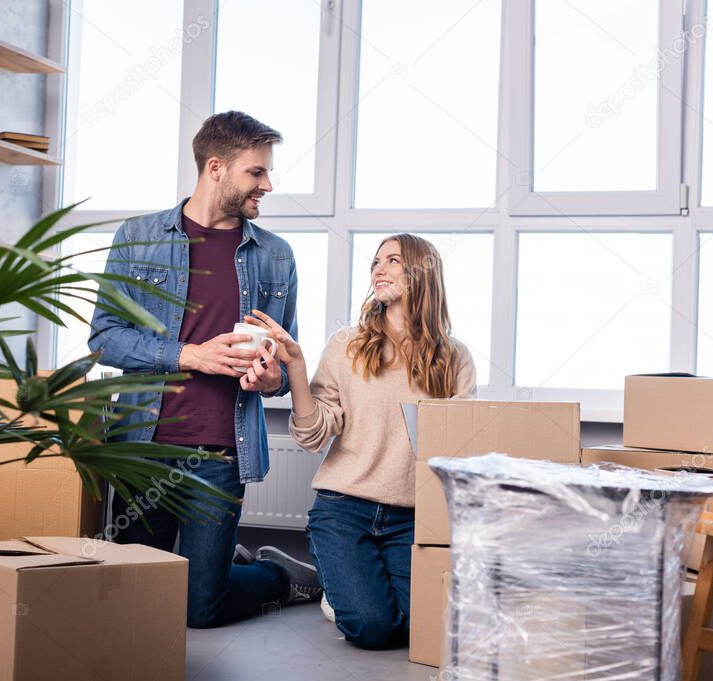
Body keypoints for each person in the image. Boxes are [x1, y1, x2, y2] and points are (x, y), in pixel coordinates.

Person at [88, 111, 321, 628]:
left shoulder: (275, 256)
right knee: (137, 598)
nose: (267, 184)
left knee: (200, 610)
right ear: (216, 167)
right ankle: (219, 569)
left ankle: (278, 575)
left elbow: (282, 366)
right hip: (143, 448)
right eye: (256, 172)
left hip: (220, 453)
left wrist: (270, 380)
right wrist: (188, 354)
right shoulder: (139, 236)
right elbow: (104, 338)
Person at [245, 234, 476, 649]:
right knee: (372, 629)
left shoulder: (454, 358)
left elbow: (461, 449)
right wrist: (295, 366)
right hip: (344, 509)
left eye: (393, 260)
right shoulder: (348, 345)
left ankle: (342, 584)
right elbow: (313, 435)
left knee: (420, 628)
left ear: (423, 272)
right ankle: (334, 588)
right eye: (375, 262)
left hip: (413, 517)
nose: (378, 270)